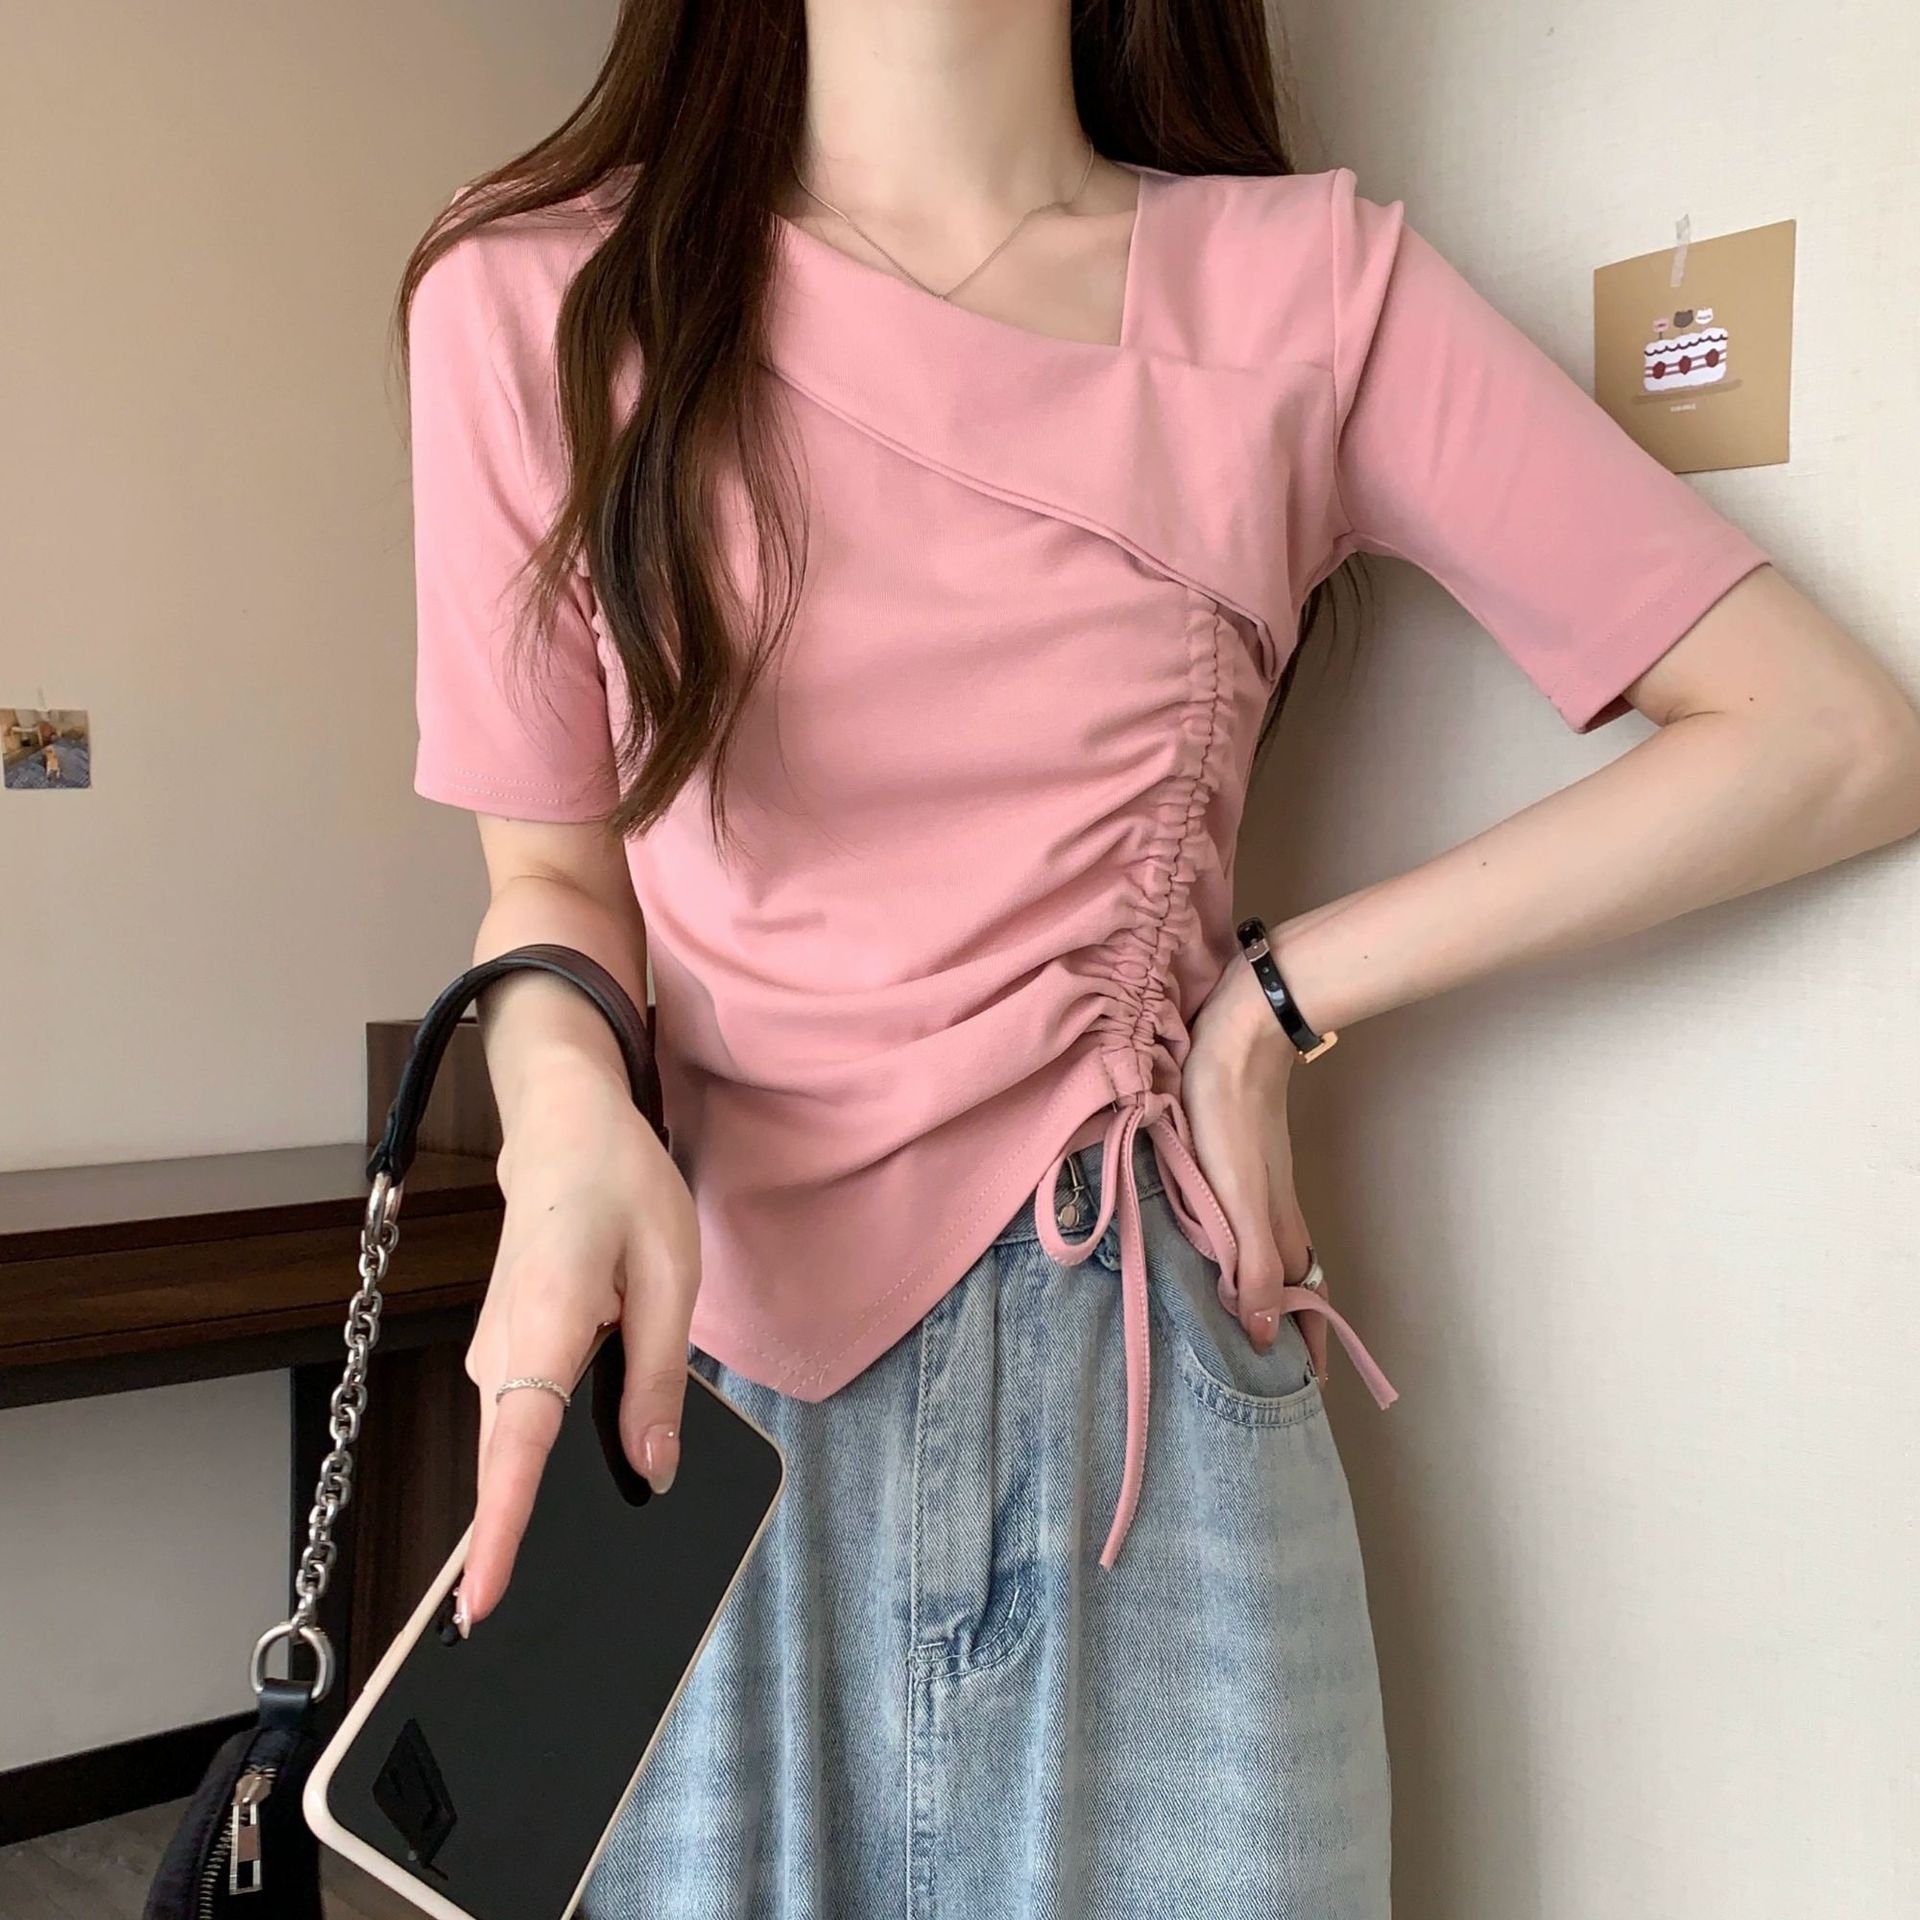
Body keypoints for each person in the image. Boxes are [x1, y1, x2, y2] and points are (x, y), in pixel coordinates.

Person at [393, 1, 1920, 1912]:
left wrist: (1274, 1002)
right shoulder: (536, 298)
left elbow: (1826, 736)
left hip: (1142, 1400)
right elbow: (552, 872)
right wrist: (561, 1120)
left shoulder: (1305, 291)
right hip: (703, 1385)